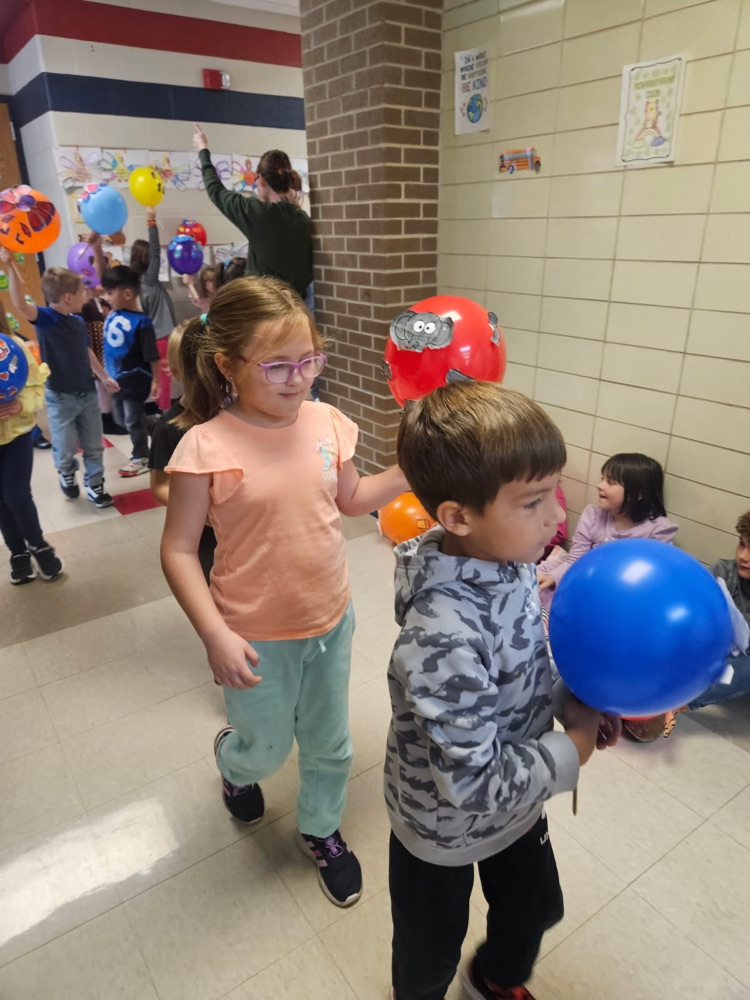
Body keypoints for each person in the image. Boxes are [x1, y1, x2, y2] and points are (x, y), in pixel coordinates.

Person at [160, 276, 407, 908]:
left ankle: (321, 829)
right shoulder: (204, 446)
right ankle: (234, 764)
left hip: (330, 618)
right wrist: (215, 633)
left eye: (309, 361)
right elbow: (179, 549)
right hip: (252, 636)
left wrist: (411, 471)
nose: (298, 379)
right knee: (265, 750)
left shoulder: (326, 420)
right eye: (277, 365)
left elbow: (350, 500)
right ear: (227, 365)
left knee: (330, 742)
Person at [385, 381, 619, 1000]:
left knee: (536, 908)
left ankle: (493, 977)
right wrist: (573, 747)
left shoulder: (510, 561)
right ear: (457, 516)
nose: (558, 516)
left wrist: (582, 699)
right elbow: (470, 785)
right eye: (534, 501)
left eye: (556, 491)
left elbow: (527, 667)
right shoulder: (441, 638)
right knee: (427, 952)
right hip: (439, 829)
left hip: (518, 803)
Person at [537, 453, 678, 743]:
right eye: (602, 478)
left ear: (637, 492)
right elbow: (577, 558)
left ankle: (630, 703)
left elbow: (650, 582)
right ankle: (559, 669)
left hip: (625, 605)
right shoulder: (593, 515)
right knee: (540, 592)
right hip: (585, 590)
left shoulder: (658, 531)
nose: (600, 485)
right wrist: (554, 577)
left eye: (611, 481)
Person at [2, 249, 117, 509]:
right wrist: (10, 265)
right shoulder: (46, 319)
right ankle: (66, 472)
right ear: (68, 297)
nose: (86, 296)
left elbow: (85, 351)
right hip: (60, 398)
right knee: (64, 447)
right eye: (82, 292)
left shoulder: (77, 322)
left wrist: (104, 376)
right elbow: (20, 304)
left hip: (86, 394)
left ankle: (95, 482)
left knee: (93, 444)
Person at [193, 123, 312, 299]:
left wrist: (203, 151)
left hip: (267, 310)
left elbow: (215, 191)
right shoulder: (304, 219)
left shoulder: (258, 213)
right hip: (298, 311)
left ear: (262, 180)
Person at [149, 321, 216, 585]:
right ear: (176, 372)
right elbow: (160, 485)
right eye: (197, 371)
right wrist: (204, 514)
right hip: (203, 534)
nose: (207, 379)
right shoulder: (169, 428)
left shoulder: (238, 416)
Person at [0, 312, 63, 583]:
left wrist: (20, 404)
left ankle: (38, 544)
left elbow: (36, 388)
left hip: (17, 435)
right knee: (1, 501)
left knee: (17, 496)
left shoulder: (15, 346)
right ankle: (18, 552)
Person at [684, 510, 750, 711]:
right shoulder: (723, 572)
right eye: (742, 544)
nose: (742, 556)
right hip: (711, 650)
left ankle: (678, 703)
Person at [101, 265, 160, 477]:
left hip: (136, 379)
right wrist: (97, 248)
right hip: (115, 379)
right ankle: (160, 428)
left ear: (127, 294)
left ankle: (141, 457)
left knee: (132, 421)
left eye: (109, 293)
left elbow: (152, 355)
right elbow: (102, 271)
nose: (106, 297)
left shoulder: (142, 322)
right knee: (121, 420)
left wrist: (156, 380)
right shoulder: (114, 312)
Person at [129, 207, 177, 409]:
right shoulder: (149, 281)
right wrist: (151, 222)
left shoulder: (135, 283)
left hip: (153, 337)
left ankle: (160, 409)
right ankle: (164, 411)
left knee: (159, 375)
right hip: (162, 337)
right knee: (165, 376)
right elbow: (156, 253)